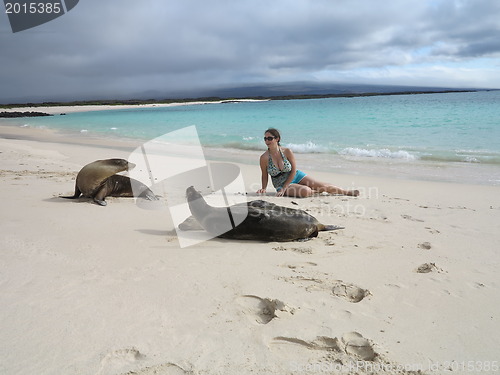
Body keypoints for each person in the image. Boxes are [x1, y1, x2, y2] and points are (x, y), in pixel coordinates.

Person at [257, 128, 360, 198]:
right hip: (281, 184)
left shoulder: (287, 151)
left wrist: (285, 188)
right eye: (265, 138)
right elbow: (264, 175)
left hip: (296, 176)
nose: (267, 141)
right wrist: (264, 188)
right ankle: (314, 191)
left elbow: (293, 170)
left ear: (277, 139)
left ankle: (347, 192)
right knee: (305, 191)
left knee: (321, 186)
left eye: (269, 138)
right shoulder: (264, 158)